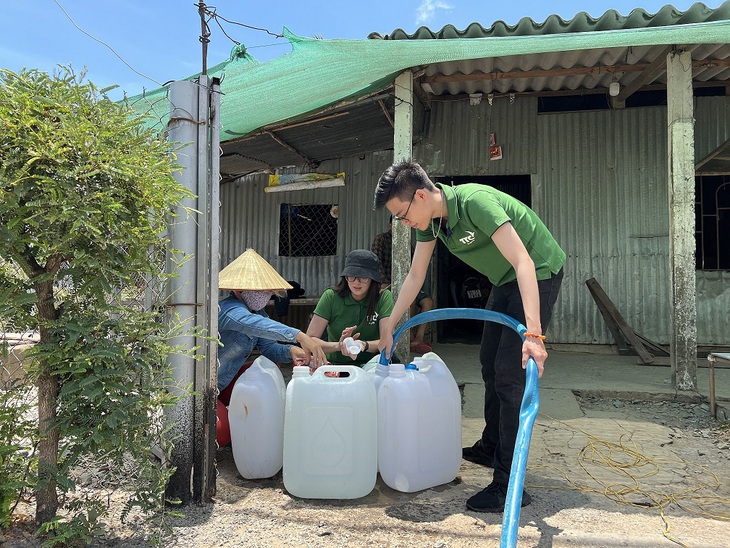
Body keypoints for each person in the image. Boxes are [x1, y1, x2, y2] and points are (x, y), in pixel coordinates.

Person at [373, 161, 565, 513]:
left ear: (419, 195)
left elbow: (523, 260)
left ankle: (509, 486)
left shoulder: (475, 201)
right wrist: (390, 325)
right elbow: (416, 276)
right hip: (504, 280)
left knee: (510, 376)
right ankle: (491, 446)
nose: (402, 224)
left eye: (402, 214)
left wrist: (534, 334)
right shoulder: (430, 223)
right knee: (488, 363)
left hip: (537, 272)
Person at [217, 248, 327, 406]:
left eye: (267, 290)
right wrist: (300, 336)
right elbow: (253, 324)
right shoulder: (229, 310)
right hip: (208, 387)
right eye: (259, 290)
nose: (264, 294)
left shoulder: (258, 313)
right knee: (221, 428)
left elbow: (269, 348)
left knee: (268, 369)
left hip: (226, 382)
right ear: (237, 289)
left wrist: (291, 351)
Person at [306, 249, 394, 366]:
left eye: (363, 277)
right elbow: (309, 340)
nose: (356, 282)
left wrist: (363, 345)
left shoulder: (383, 297)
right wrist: (339, 345)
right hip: (334, 365)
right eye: (351, 276)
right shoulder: (331, 297)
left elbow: (387, 341)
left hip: (373, 365)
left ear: (373, 280)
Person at [371, 216, 435, 354]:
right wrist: (383, 283)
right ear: (390, 225)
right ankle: (408, 338)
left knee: (427, 302)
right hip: (386, 284)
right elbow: (376, 263)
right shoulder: (381, 240)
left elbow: (415, 270)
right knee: (409, 301)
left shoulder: (407, 245)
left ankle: (418, 339)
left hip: (407, 286)